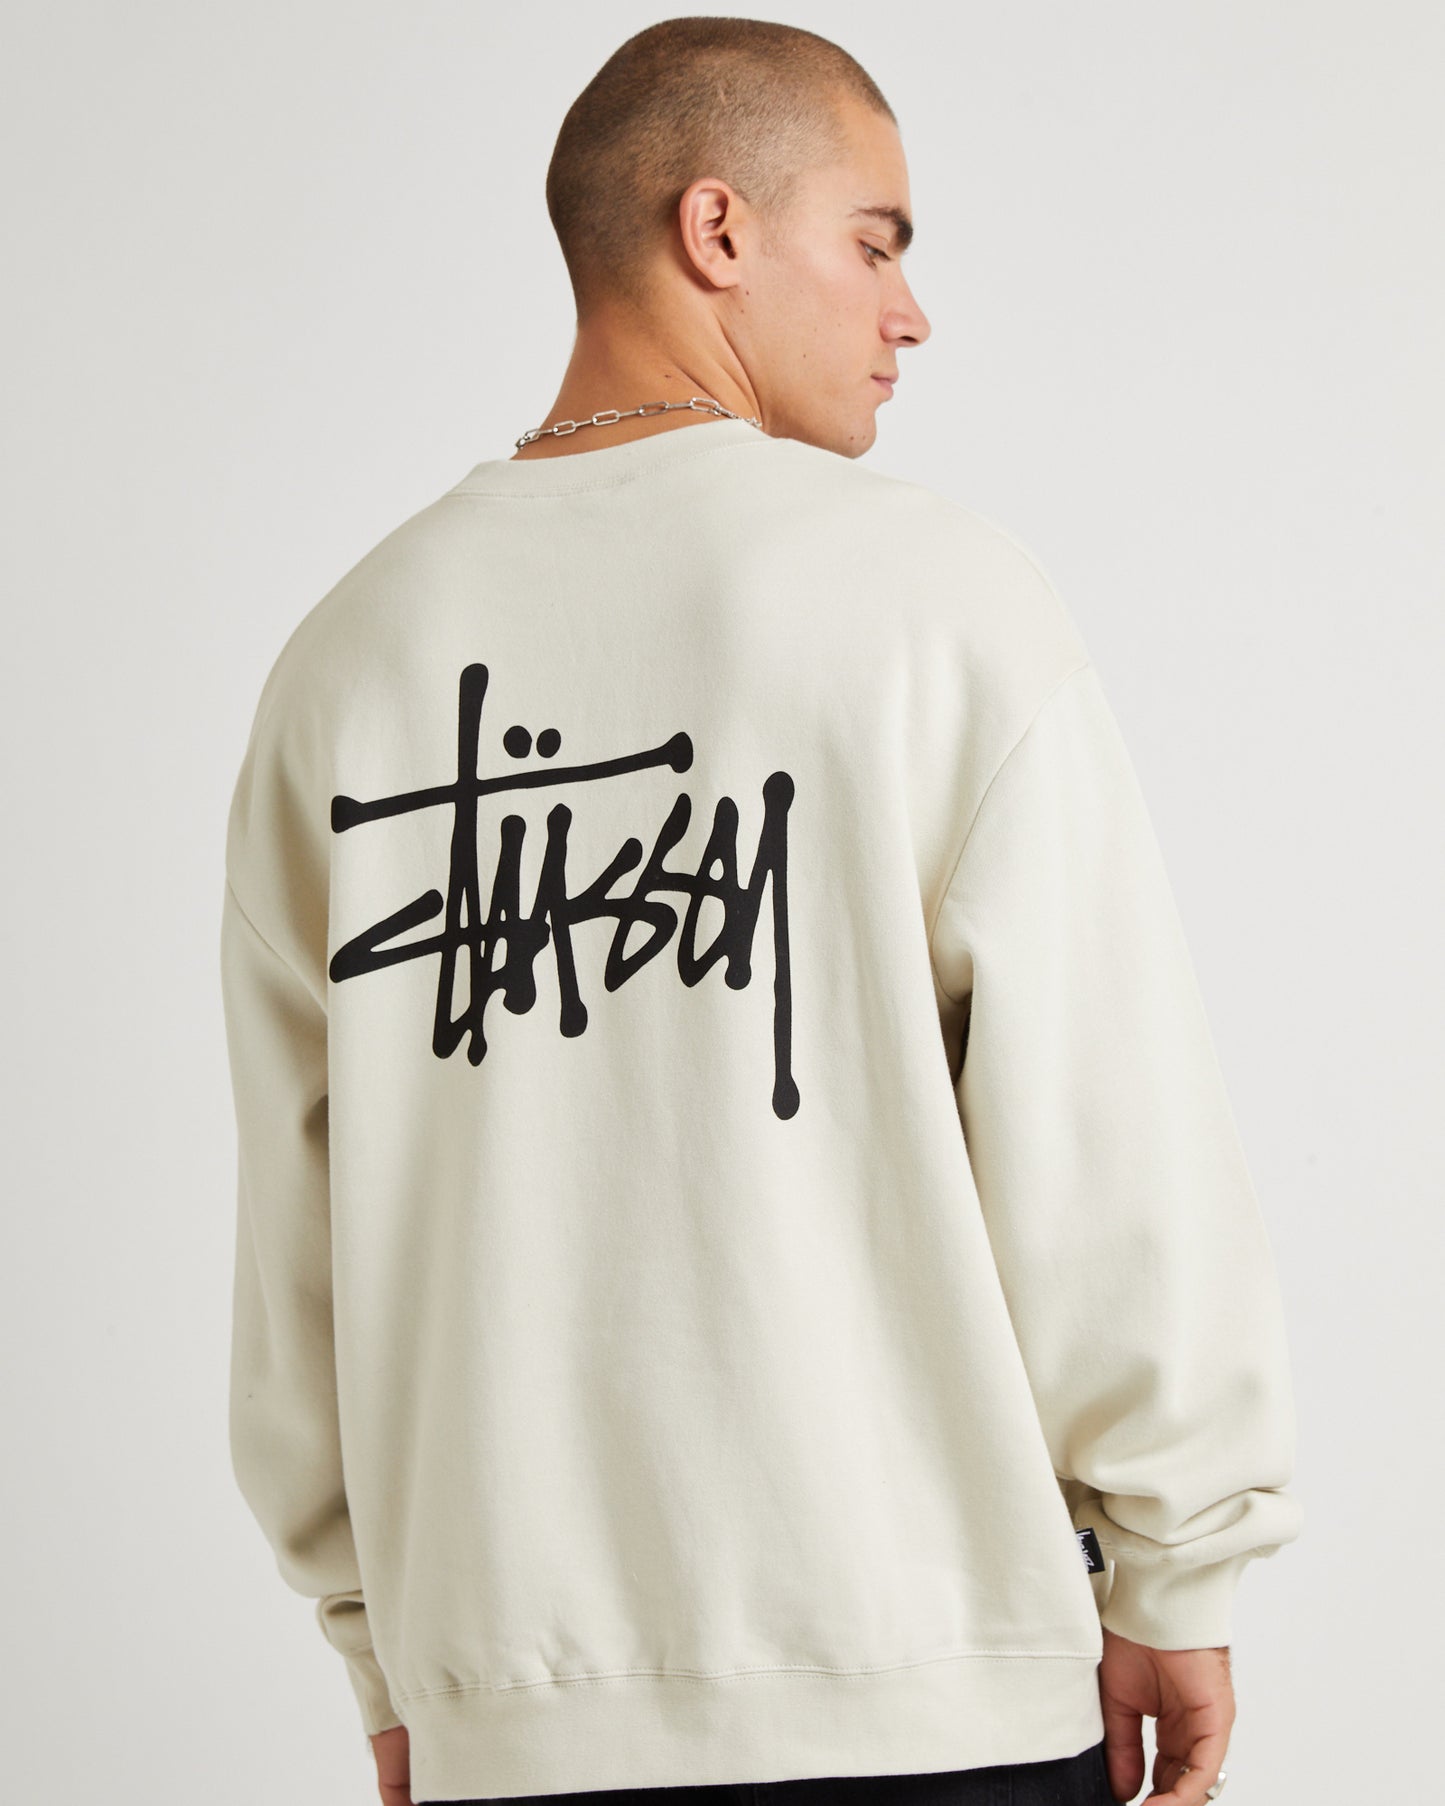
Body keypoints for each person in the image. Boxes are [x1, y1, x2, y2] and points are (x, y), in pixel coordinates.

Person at [217, 18, 1302, 1806]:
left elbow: (298, 1244)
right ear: (715, 228)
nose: (909, 312)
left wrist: (391, 1650)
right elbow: (1106, 1136)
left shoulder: (348, 665)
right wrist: (1178, 1563)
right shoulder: (936, 602)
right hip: (927, 1700)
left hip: (518, 1719)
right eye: (874, 242)